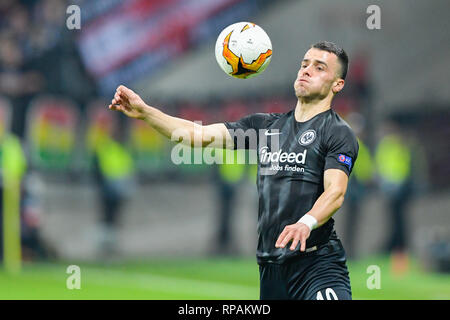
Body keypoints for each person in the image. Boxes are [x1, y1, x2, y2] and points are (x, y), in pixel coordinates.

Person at [108, 41, 359, 300]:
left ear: (337, 84)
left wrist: (306, 223)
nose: (306, 71)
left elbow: (336, 192)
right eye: (304, 64)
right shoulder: (265, 128)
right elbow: (198, 135)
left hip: (317, 264)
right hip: (271, 268)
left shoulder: (337, 133)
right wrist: (146, 112)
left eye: (319, 68)